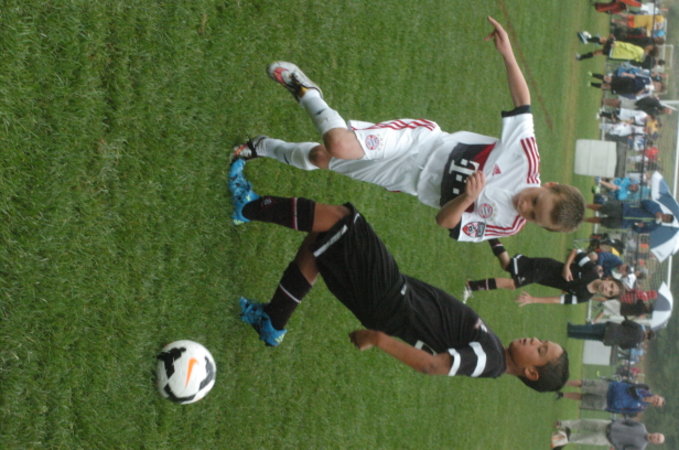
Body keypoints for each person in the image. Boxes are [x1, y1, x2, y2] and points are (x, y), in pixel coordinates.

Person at [227, 159, 569, 392]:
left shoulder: (490, 360)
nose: (534, 340)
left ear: (531, 372)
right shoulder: (493, 353)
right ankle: (273, 321)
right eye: (542, 340)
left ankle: (246, 205)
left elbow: (434, 366)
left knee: (341, 220)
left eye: (540, 349)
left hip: (391, 300)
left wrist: (379, 340)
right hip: (391, 299)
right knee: (322, 241)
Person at [231, 17, 585, 242]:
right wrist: (507, 54)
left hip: (406, 178)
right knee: (339, 144)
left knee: (321, 157)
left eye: (532, 216)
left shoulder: (507, 224)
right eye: (535, 200)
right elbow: (523, 104)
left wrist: (466, 199)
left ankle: (261, 146)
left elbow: (445, 221)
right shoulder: (525, 159)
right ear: (549, 185)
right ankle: (307, 92)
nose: (524, 206)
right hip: (420, 143)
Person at [463, 240, 622, 306]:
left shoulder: (584, 297)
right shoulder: (591, 271)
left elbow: (559, 300)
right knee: (512, 284)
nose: (607, 289)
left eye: (610, 292)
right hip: (546, 267)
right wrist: (566, 267)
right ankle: (470, 286)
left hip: (543, 278)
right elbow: (576, 251)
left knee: (507, 265)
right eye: (611, 286)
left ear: (606, 296)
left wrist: (533, 299)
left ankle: (491, 236)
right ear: (609, 279)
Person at [560, 379, 665, 415]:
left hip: (608, 403)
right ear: (657, 395)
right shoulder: (645, 388)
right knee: (584, 384)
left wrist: (611, 409)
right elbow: (631, 387)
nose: (655, 401)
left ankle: (562, 394)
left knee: (583, 398)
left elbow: (625, 411)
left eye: (656, 403)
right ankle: (564, 383)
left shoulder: (641, 408)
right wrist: (639, 397)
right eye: (657, 399)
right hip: (610, 388)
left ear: (655, 405)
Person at [553, 418, 664, 448]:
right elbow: (626, 421)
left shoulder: (640, 447)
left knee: (582, 438)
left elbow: (624, 449)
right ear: (656, 432)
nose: (656, 437)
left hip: (607, 439)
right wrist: (615, 423)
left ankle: (559, 438)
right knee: (584, 422)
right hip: (607, 425)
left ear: (655, 443)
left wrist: (614, 443)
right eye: (658, 435)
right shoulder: (641, 426)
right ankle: (562, 424)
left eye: (657, 439)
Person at [585, 199, 674, 232]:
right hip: (625, 210)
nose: (664, 218)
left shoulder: (655, 226)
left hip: (624, 223)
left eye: (666, 220)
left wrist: (639, 226)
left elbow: (639, 231)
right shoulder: (657, 207)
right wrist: (655, 212)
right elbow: (645, 202)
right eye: (666, 216)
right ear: (666, 214)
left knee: (602, 221)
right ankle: (585, 205)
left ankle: (584, 219)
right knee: (603, 208)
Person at [567, 319, 652, 349]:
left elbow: (625, 322)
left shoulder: (639, 328)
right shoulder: (637, 344)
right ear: (647, 339)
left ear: (648, 332)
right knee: (589, 336)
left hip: (611, 329)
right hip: (611, 340)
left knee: (590, 329)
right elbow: (623, 347)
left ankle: (572, 328)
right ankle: (572, 335)